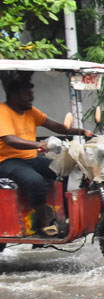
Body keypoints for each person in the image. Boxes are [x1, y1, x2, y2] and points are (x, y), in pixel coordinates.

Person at [0, 74, 94, 236]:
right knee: (36, 182)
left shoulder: (30, 111)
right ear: (14, 95)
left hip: (30, 158)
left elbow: (57, 127)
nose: (31, 98)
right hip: (7, 161)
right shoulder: (3, 111)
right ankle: (44, 222)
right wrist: (39, 144)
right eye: (27, 94)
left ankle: (64, 215)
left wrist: (83, 132)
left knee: (65, 170)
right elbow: (10, 139)